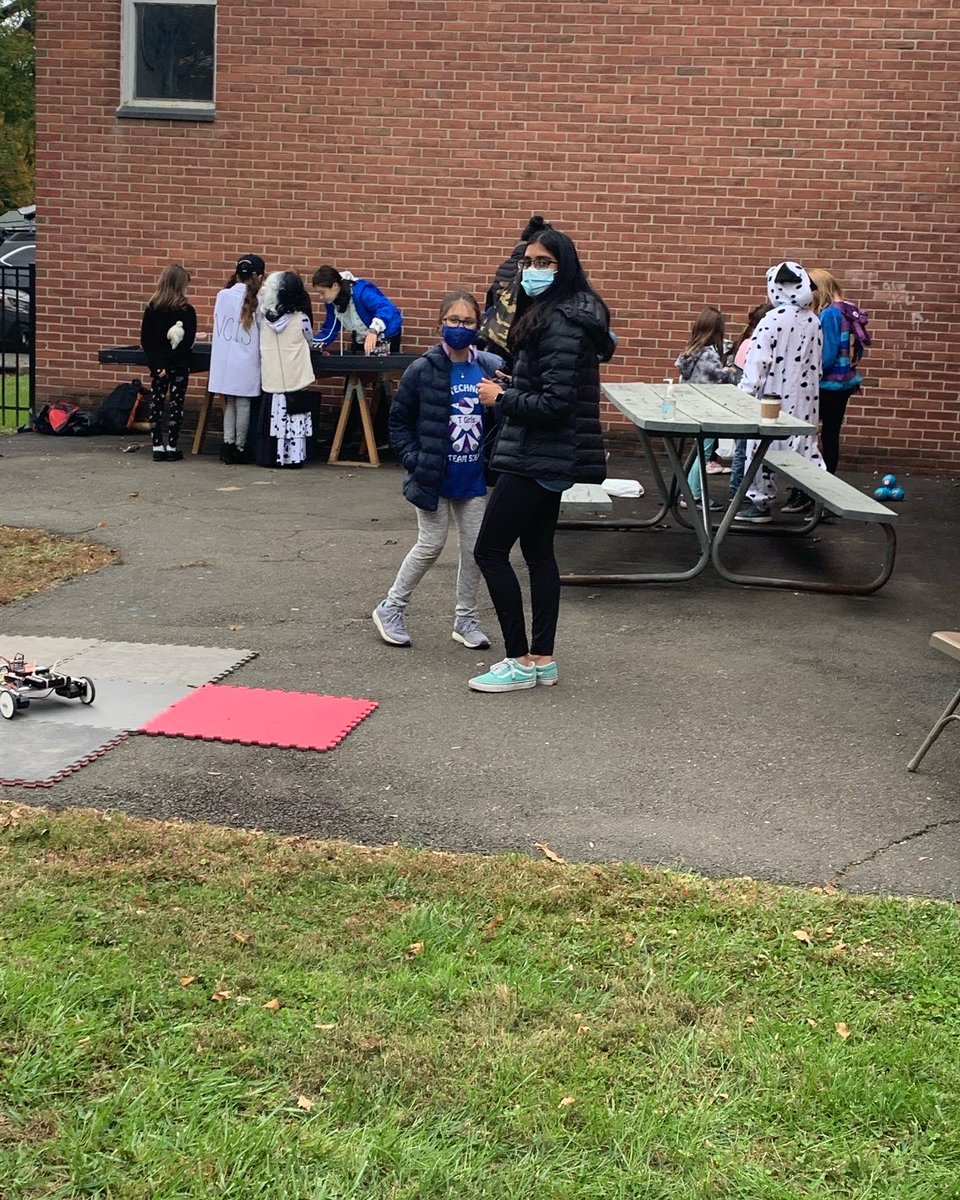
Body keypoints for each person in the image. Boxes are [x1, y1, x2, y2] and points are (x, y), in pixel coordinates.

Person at [469, 227, 614, 693]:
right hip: (544, 455)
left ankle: (517, 659)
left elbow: (555, 406)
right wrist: (516, 386)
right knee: (537, 554)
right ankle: (542, 660)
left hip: (537, 456)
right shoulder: (561, 314)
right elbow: (552, 390)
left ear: (564, 267)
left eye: (544, 263)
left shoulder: (561, 321)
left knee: (489, 550)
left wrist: (500, 397)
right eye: (528, 263)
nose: (533, 271)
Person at [372, 291, 505, 651]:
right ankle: (391, 607)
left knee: (476, 549)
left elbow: (502, 414)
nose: (460, 327)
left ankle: (466, 619)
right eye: (453, 321)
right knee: (430, 545)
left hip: (473, 476)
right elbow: (398, 422)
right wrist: (415, 460)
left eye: (468, 322)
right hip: (432, 475)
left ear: (478, 326)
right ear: (440, 324)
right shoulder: (423, 369)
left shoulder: (490, 367)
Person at [734, 262, 824, 522]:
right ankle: (817, 496)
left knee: (760, 448)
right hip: (806, 398)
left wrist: (743, 396)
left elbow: (757, 363)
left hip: (770, 400)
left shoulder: (771, 320)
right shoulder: (813, 321)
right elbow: (816, 362)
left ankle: (759, 503)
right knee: (806, 447)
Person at [674, 305, 737, 512]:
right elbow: (720, 377)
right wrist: (731, 371)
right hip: (706, 410)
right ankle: (693, 495)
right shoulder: (709, 355)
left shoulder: (690, 351)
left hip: (690, 406)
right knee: (702, 452)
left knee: (695, 451)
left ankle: (685, 490)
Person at [808, 267, 868, 474]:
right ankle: (825, 481)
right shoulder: (845, 310)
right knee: (831, 434)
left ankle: (816, 484)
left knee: (814, 435)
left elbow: (828, 353)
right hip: (843, 382)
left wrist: (810, 372)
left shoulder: (829, 314)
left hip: (828, 383)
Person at [208, 253, 265, 464]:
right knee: (244, 404)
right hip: (247, 357)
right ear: (259, 276)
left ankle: (227, 444)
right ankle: (241, 447)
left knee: (230, 403)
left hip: (225, 357)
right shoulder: (257, 300)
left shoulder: (222, 295)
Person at [256, 271, 315, 469]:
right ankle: (293, 457)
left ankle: (271, 456)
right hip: (295, 378)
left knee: (273, 419)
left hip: (272, 378)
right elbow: (310, 340)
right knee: (295, 419)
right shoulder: (302, 319)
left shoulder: (263, 320)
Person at [139, 263, 196, 462]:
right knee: (176, 404)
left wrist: (157, 365)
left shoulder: (152, 309)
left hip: (159, 365)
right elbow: (187, 342)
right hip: (179, 364)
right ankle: (172, 445)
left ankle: (157, 446)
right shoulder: (187, 311)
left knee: (157, 402)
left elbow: (147, 341)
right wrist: (173, 361)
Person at [478, 214, 551, 363]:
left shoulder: (505, 266)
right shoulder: (536, 269)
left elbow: (491, 299)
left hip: (498, 335)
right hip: (521, 337)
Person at [726, 302, 772, 498]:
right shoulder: (756, 345)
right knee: (745, 451)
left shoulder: (744, 342)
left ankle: (736, 488)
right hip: (753, 404)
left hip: (740, 403)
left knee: (740, 449)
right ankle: (739, 490)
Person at [310, 266, 402, 354]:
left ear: (334, 285)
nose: (321, 297)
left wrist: (373, 330)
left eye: (322, 292)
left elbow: (386, 307)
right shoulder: (332, 302)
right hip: (361, 337)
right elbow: (330, 330)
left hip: (386, 334)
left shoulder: (361, 291)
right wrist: (309, 343)